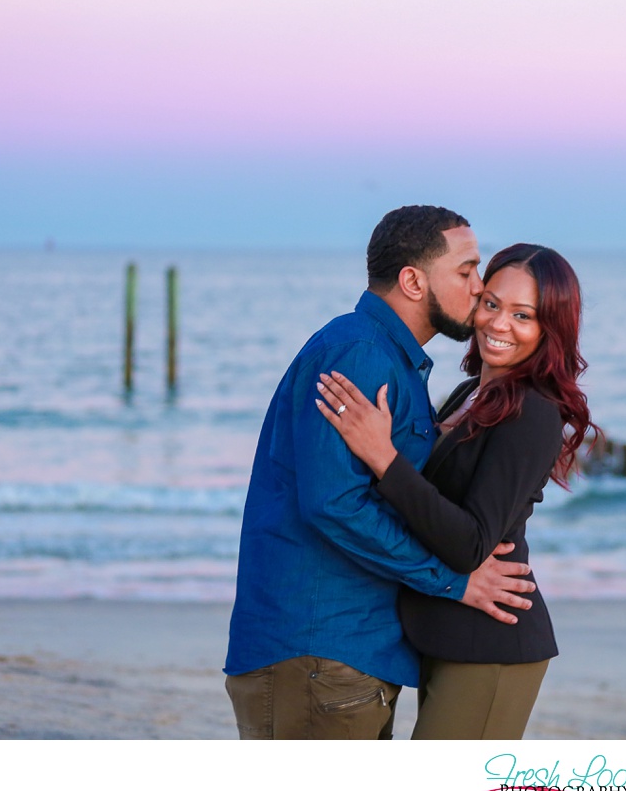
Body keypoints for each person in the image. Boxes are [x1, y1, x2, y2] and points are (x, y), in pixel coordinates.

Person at [224, 206, 538, 740]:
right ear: (414, 281)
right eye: (466, 271)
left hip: (346, 656)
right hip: (319, 651)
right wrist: (454, 582)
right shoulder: (361, 352)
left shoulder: (394, 361)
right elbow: (334, 502)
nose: (479, 286)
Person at [314, 243, 595, 739]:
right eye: (491, 304)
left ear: (550, 329)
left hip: (492, 646)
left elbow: (470, 544)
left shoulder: (531, 412)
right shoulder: (473, 393)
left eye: (523, 315)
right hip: (446, 635)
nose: (498, 324)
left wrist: (383, 457)